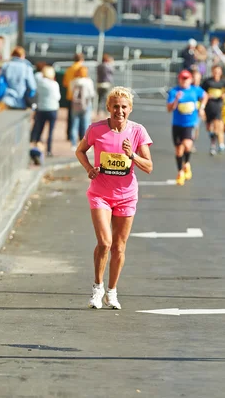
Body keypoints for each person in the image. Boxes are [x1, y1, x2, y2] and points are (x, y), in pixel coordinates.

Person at [75, 86, 153, 310]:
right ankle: (97, 289)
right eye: (115, 106)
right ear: (108, 107)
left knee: (119, 246)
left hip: (127, 196)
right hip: (100, 194)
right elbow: (80, 151)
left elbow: (149, 166)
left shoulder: (138, 131)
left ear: (130, 109)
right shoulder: (96, 129)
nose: (119, 111)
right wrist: (89, 168)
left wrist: (132, 155)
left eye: (124, 107)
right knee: (105, 242)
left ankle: (112, 292)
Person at [167, 69, 207, 186]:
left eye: (186, 79)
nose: (184, 81)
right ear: (179, 79)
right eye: (182, 78)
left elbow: (205, 96)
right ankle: (180, 172)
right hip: (177, 124)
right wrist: (176, 100)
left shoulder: (195, 90)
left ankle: (187, 163)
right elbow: (169, 109)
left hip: (190, 124)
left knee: (188, 145)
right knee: (179, 150)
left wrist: (202, 107)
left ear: (190, 80)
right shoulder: (174, 91)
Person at [31, 66, 61, 157]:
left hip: (41, 108)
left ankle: (37, 149)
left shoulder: (39, 83)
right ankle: (48, 150)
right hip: (52, 109)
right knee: (50, 131)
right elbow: (57, 97)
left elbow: (35, 95)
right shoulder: (54, 84)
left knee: (39, 130)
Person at [201, 65, 225, 155]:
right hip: (209, 105)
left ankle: (214, 145)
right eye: (215, 72)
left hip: (218, 105)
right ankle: (212, 137)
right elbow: (202, 92)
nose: (217, 73)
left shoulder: (223, 82)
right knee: (209, 127)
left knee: (217, 125)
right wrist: (207, 96)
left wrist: (223, 95)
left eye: (218, 72)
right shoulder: (207, 82)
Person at [69, 67, 96, 150]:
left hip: (75, 105)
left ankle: (73, 144)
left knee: (74, 124)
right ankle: (86, 145)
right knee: (86, 124)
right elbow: (91, 93)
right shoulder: (88, 81)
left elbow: (71, 91)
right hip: (86, 104)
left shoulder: (73, 81)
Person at [63, 53, 85, 140]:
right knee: (82, 118)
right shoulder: (82, 69)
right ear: (82, 60)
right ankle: (81, 136)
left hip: (70, 95)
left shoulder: (69, 69)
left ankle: (69, 135)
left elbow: (65, 83)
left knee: (70, 118)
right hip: (81, 97)